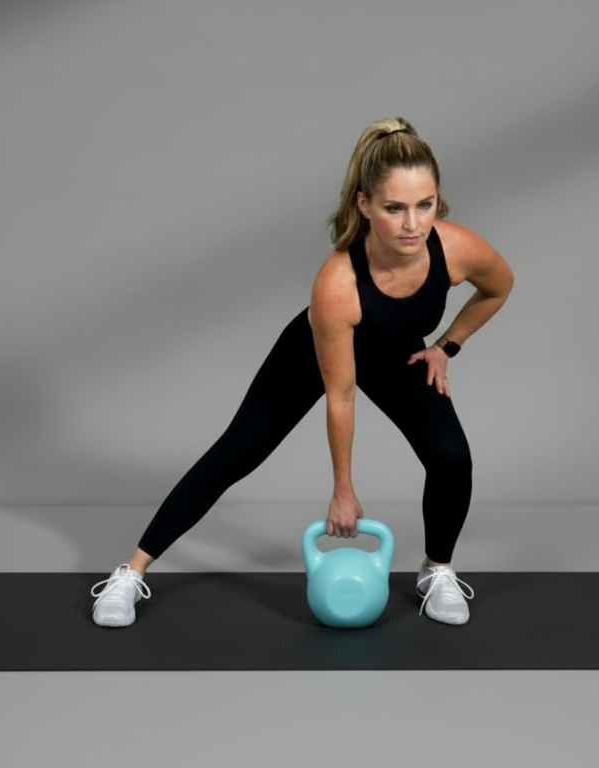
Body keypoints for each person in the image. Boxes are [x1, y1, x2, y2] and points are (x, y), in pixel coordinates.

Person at [91, 117, 514, 628]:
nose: (412, 225)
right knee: (234, 454)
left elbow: (498, 286)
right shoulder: (337, 283)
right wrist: (343, 489)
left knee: (451, 458)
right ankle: (129, 574)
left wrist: (447, 346)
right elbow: (341, 396)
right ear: (364, 204)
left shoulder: (456, 248)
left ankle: (437, 571)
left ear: (437, 198)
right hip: (316, 351)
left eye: (424, 205)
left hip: (398, 354)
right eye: (394, 208)